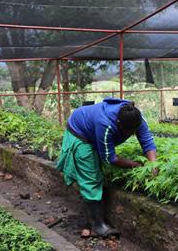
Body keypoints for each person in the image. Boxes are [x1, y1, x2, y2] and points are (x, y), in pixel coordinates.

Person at [56, 98, 157, 237]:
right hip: (80, 134)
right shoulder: (105, 123)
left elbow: (146, 140)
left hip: (92, 128)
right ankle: (98, 225)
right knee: (91, 178)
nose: (133, 134)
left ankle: (88, 221)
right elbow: (111, 158)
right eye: (129, 132)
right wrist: (136, 165)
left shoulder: (135, 116)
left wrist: (153, 164)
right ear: (118, 124)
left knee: (96, 172)